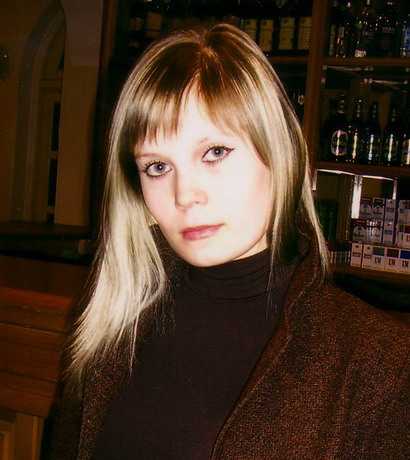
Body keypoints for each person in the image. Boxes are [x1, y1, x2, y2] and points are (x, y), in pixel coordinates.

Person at [51, 24, 410, 459]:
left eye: (215, 152)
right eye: (158, 167)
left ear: (279, 153)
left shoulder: (378, 362)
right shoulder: (113, 318)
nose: (185, 195)